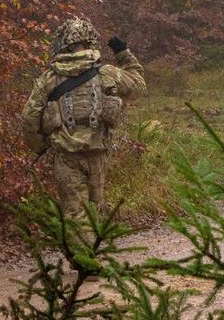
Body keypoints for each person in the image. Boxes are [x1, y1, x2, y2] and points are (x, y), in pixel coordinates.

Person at [21, 17, 145, 219]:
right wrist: (123, 54)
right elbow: (138, 87)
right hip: (98, 154)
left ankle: (82, 250)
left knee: (75, 215)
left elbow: (29, 118)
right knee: (95, 211)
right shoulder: (107, 73)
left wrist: (41, 146)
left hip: (66, 156)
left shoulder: (49, 79)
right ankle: (91, 250)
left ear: (62, 44)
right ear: (90, 43)